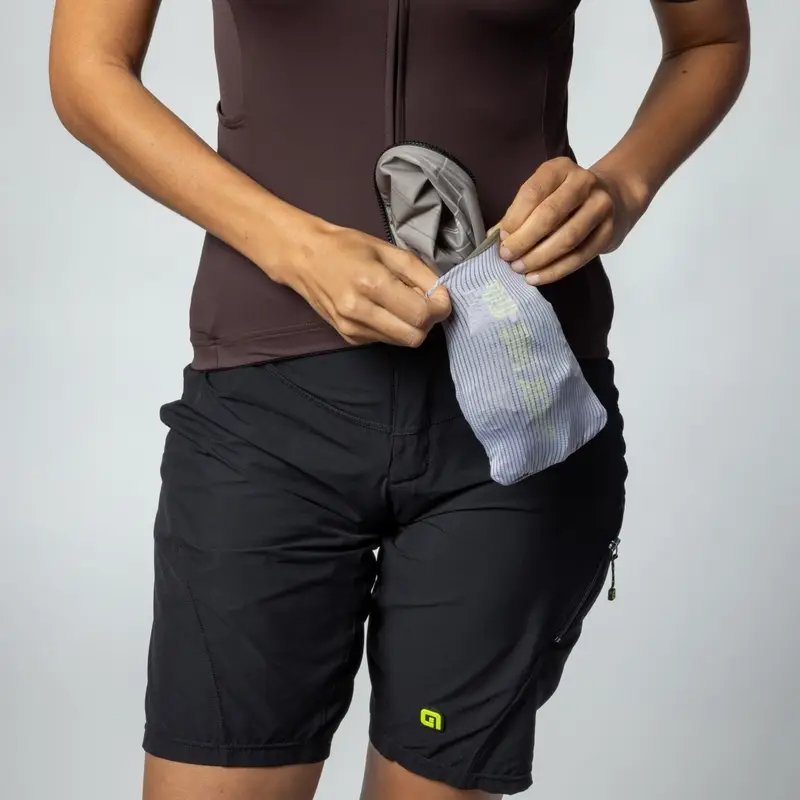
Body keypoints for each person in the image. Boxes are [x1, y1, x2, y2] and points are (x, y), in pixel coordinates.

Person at [49, 1, 750, 798]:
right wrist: (294, 246)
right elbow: (87, 68)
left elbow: (711, 36)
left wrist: (623, 184)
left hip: (518, 419)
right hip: (265, 418)